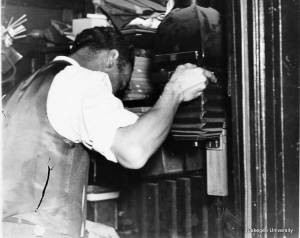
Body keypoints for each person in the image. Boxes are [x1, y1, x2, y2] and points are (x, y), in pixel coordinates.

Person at [2, 27, 216, 238]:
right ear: (112, 58)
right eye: (120, 84)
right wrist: (175, 90)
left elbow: (23, 189)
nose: (115, 94)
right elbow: (133, 151)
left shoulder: (23, 88)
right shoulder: (82, 80)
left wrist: (80, 224)